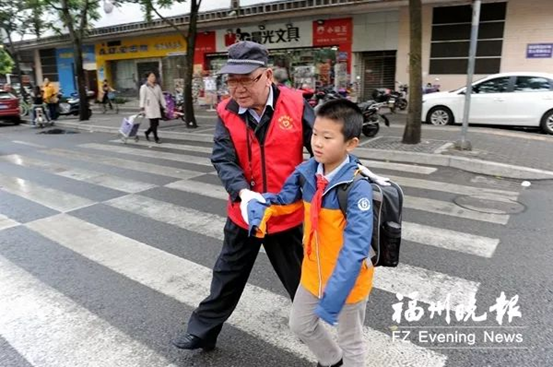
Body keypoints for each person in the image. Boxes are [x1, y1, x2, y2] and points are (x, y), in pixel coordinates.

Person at [171, 41, 315, 351]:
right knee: (227, 275)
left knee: (302, 281)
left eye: (245, 79)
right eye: (231, 80)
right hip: (244, 212)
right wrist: (242, 192)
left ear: (267, 75)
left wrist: (344, 174)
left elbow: (322, 148)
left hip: (284, 214)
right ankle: (203, 332)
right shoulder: (227, 111)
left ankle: (323, 340)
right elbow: (223, 158)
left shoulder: (296, 104)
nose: (237, 89)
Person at [246, 99, 375, 367]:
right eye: (315, 134)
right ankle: (332, 360)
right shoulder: (307, 174)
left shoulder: (356, 187)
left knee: (351, 340)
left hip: (347, 282)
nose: (317, 142)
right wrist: (259, 210)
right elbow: (283, 201)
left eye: (327, 137)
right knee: (300, 325)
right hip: (312, 273)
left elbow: (356, 248)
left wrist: (334, 295)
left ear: (350, 144)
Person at [139, 72, 166, 144]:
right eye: (151, 76)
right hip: (149, 107)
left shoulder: (157, 86)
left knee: (156, 124)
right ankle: (156, 138)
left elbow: (161, 97)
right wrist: (142, 108)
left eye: (154, 76)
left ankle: (147, 132)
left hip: (156, 107)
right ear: (148, 78)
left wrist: (165, 106)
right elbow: (142, 98)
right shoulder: (144, 87)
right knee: (153, 123)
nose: (153, 77)